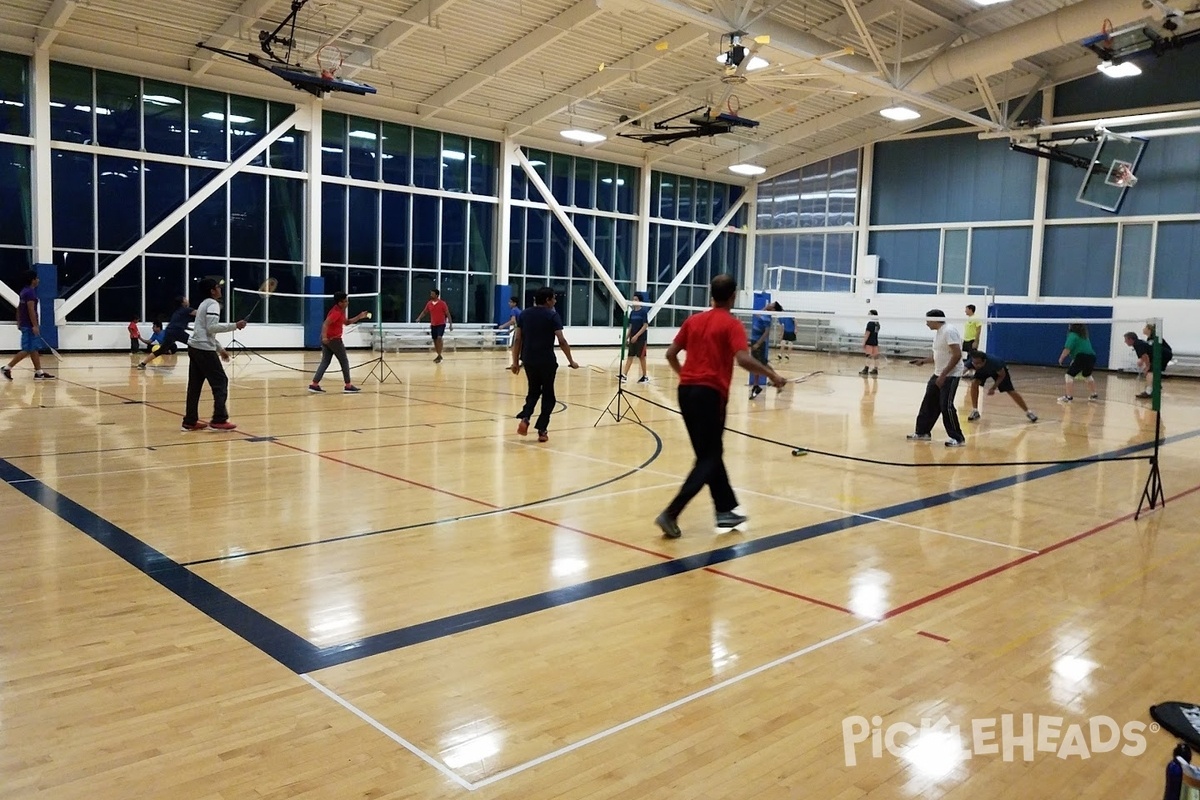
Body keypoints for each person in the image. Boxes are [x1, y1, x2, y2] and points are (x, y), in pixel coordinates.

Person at [654, 275, 787, 539]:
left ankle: (725, 510)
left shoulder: (693, 321)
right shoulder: (731, 324)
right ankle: (671, 512)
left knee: (709, 453)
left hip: (686, 392)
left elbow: (670, 354)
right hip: (709, 395)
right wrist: (772, 375)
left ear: (711, 294)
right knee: (709, 456)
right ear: (733, 296)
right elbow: (743, 359)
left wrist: (685, 376)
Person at [511, 286, 579, 442]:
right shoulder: (552, 316)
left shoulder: (524, 315)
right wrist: (571, 361)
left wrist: (515, 362)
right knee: (548, 395)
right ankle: (542, 430)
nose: (555, 301)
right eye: (554, 298)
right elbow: (561, 340)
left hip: (528, 359)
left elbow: (517, 339)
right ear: (548, 300)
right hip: (546, 361)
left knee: (533, 392)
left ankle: (526, 417)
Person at [181, 278, 246, 432]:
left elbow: (204, 330)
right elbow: (211, 328)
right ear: (212, 290)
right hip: (203, 350)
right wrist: (235, 326)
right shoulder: (212, 304)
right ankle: (219, 419)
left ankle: (190, 421)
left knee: (194, 386)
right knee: (221, 382)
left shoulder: (204, 304)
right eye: (218, 287)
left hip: (195, 347)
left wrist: (220, 349)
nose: (220, 289)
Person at [906, 309, 966, 447]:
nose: (926, 323)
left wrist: (944, 375)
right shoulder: (939, 333)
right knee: (928, 402)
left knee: (946, 406)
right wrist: (923, 361)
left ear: (935, 319)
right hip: (938, 373)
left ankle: (958, 438)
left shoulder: (949, 331)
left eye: (928, 320)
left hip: (950, 375)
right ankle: (922, 432)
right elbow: (940, 355)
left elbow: (957, 355)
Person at [309, 291, 369, 394]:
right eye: (345, 301)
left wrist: (360, 316)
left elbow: (346, 322)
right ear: (340, 303)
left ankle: (314, 384)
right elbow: (325, 324)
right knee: (344, 362)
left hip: (328, 340)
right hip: (334, 340)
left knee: (325, 362)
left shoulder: (339, 311)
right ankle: (348, 385)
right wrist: (324, 337)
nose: (347, 303)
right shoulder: (336, 313)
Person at [1, 270, 54, 381]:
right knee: (27, 349)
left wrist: (18, 321)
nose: (38, 280)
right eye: (37, 278)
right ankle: (7, 368)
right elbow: (31, 310)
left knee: (33, 349)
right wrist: (35, 325)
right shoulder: (30, 293)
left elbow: (19, 308)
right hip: (29, 326)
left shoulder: (23, 292)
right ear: (33, 280)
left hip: (24, 324)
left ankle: (39, 373)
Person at [965, 351, 1038, 423]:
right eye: (974, 363)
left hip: (998, 373)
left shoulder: (995, 363)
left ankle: (1028, 412)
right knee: (974, 383)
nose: (975, 365)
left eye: (978, 363)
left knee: (1010, 391)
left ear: (984, 361)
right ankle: (975, 411)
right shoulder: (973, 362)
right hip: (983, 371)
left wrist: (993, 387)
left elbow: (1002, 375)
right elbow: (962, 370)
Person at [137, 296, 193, 369]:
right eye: (185, 299)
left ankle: (142, 364)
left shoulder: (177, 311)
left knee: (161, 350)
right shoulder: (186, 310)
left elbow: (178, 323)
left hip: (169, 331)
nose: (187, 300)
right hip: (177, 331)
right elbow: (200, 313)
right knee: (195, 343)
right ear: (182, 303)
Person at [1126, 325, 1174, 400]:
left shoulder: (1155, 337)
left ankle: (1149, 392)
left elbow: (1145, 355)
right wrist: (1142, 361)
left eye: (1145, 328)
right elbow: (1146, 353)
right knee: (1151, 371)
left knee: (1150, 371)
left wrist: (1147, 366)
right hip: (1159, 355)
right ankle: (1156, 386)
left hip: (1163, 355)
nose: (1143, 329)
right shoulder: (1148, 339)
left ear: (1149, 329)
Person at [1057, 322, 1098, 403]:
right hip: (1092, 357)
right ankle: (1094, 395)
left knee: (1069, 376)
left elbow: (1067, 348)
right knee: (1087, 375)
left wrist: (1061, 358)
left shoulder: (1072, 335)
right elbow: (1084, 348)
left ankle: (1068, 397)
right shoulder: (1084, 336)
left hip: (1081, 357)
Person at [748, 301, 779, 399]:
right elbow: (757, 314)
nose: (769, 304)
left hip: (758, 343)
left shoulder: (768, 318)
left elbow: (766, 333)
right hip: (754, 340)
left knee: (760, 364)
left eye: (772, 304)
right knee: (759, 364)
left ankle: (776, 380)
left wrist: (758, 343)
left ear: (773, 309)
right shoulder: (765, 314)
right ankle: (757, 385)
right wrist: (765, 307)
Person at [620, 291, 650, 384]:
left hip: (641, 339)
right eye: (633, 299)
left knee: (641, 357)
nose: (634, 301)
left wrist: (637, 336)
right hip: (632, 338)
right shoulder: (632, 313)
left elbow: (645, 326)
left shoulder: (643, 312)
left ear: (640, 301)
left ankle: (645, 376)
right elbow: (631, 326)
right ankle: (624, 375)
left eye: (636, 299)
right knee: (630, 356)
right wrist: (627, 337)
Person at [415, 288, 452, 363]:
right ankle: (438, 355)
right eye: (431, 294)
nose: (431, 295)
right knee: (435, 340)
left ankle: (440, 353)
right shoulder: (429, 303)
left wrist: (450, 324)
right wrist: (419, 318)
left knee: (439, 338)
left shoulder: (442, 303)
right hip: (433, 324)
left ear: (437, 295)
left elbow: (447, 313)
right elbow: (425, 312)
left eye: (432, 294)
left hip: (441, 324)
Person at [962, 304, 981, 374]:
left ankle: (974, 372)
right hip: (966, 339)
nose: (965, 311)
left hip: (972, 340)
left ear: (970, 310)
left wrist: (976, 341)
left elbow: (978, 330)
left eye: (966, 309)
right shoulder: (968, 319)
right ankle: (969, 372)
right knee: (968, 355)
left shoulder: (976, 318)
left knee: (973, 356)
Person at [859, 309, 880, 376]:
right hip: (875, 342)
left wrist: (864, 342)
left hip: (869, 342)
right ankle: (875, 369)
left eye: (869, 314)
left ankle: (866, 369)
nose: (868, 315)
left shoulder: (870, 323)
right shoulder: (877, 324)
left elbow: (867, 333)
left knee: (868, 356)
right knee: (875, 357)